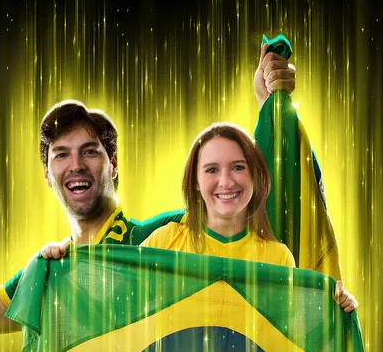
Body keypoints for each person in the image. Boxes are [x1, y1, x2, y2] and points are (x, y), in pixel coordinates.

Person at [0, 49, 297, 338]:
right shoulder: (49, 274)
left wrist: (271, 109)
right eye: (61, 155)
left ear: (113, 165)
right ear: (47, 174)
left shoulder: (168, 234)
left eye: (90, 152)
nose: (75, 165)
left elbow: (257, 215)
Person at [139, 121, 358, 312]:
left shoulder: (278, 259)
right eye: (211, 170)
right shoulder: (163, 243)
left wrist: (334, 305)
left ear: (254, 175)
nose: (226, 182)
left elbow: (293, 336)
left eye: (238, 167)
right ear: (195, 181)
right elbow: (122, 302)